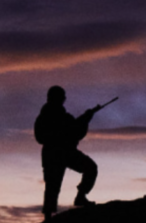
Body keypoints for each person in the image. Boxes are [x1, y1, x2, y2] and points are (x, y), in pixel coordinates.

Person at [34, 86, 98, 220]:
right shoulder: (50, 116)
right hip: (57, 154)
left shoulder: (53, 116)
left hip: (61, 153)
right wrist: (85, 119)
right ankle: (49, 215)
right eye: (61, 97)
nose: (64, 99)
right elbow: (73, 130)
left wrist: (86, 117)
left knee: (90, 168)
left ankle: (80, 197)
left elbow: (75, 129)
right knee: (52, 185)